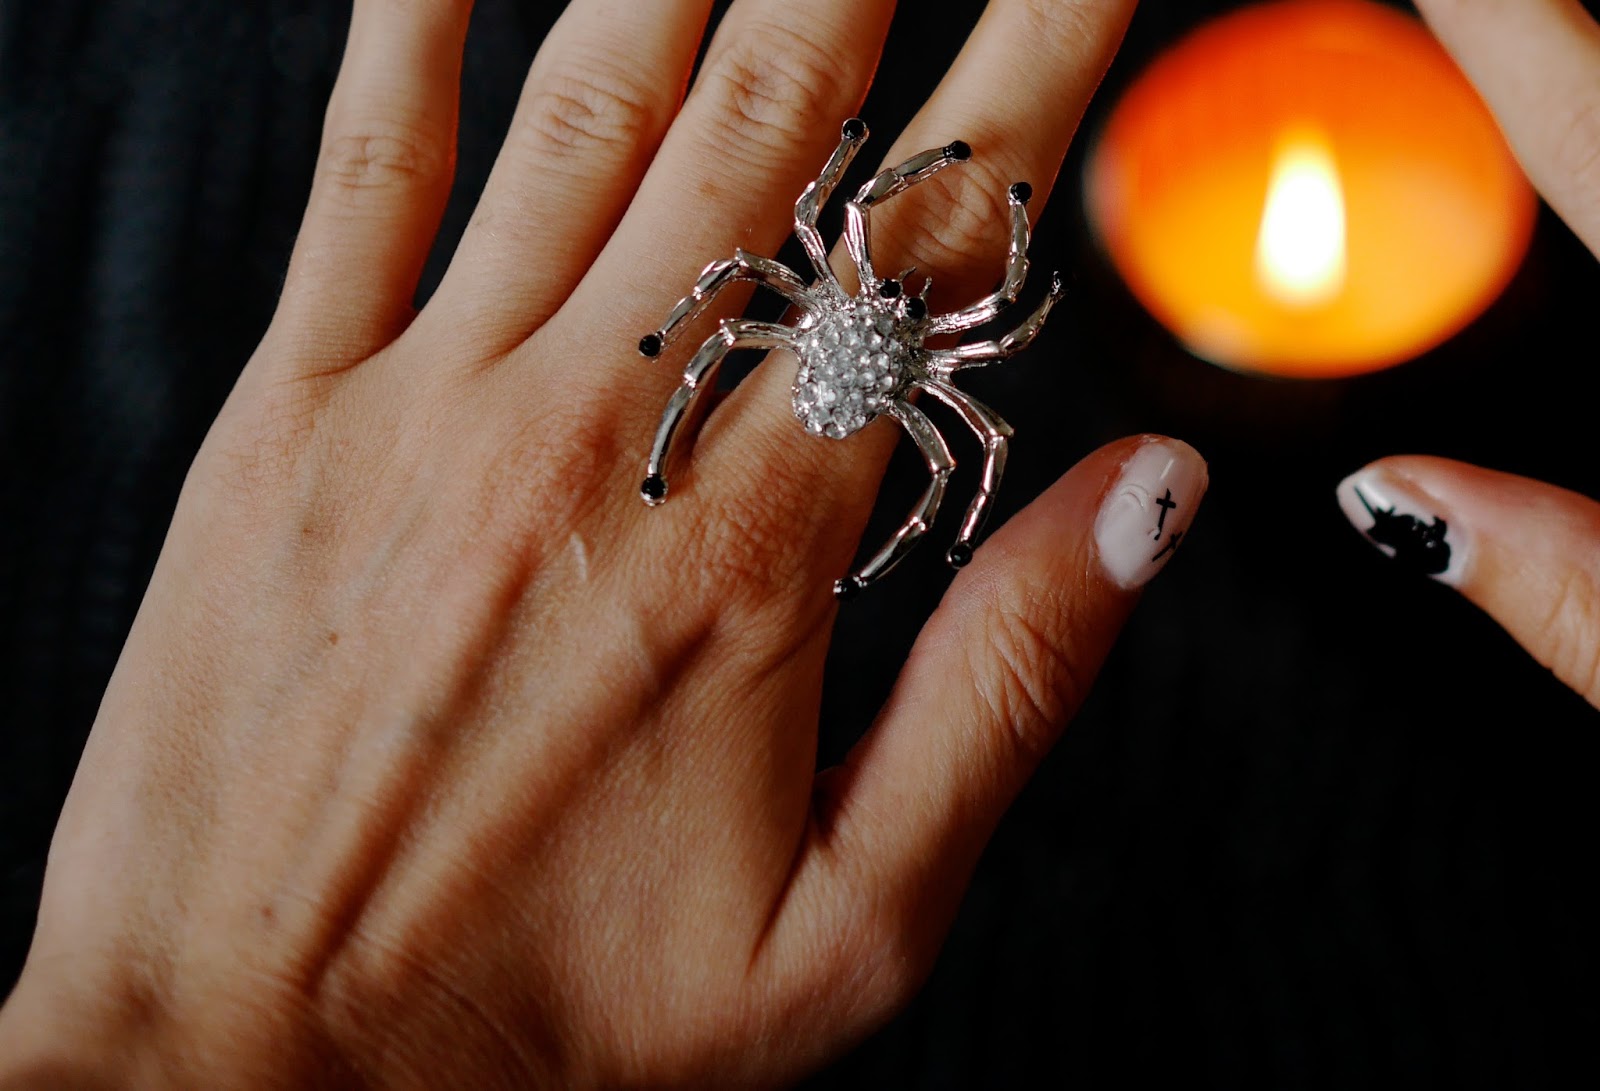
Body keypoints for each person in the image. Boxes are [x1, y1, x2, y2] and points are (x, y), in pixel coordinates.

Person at [0, 0, 1593, 1085]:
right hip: (836, 352)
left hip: (879, 370)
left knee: (949, 429)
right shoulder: (818, 282)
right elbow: (729, 300)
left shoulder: (940, 349)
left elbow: (968, 418)